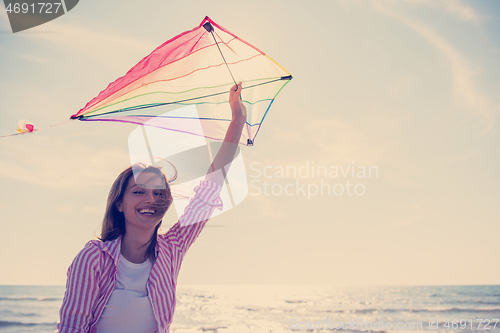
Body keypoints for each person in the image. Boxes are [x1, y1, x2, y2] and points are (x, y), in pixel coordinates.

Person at [55, 83, 247, 333]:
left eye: (158, 193)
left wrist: (238, 121)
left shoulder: (172, 248)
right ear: (119, 204)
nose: (150, 199)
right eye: (138, 192)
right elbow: (72, 328)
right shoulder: (93, 258)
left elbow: (211, 187)